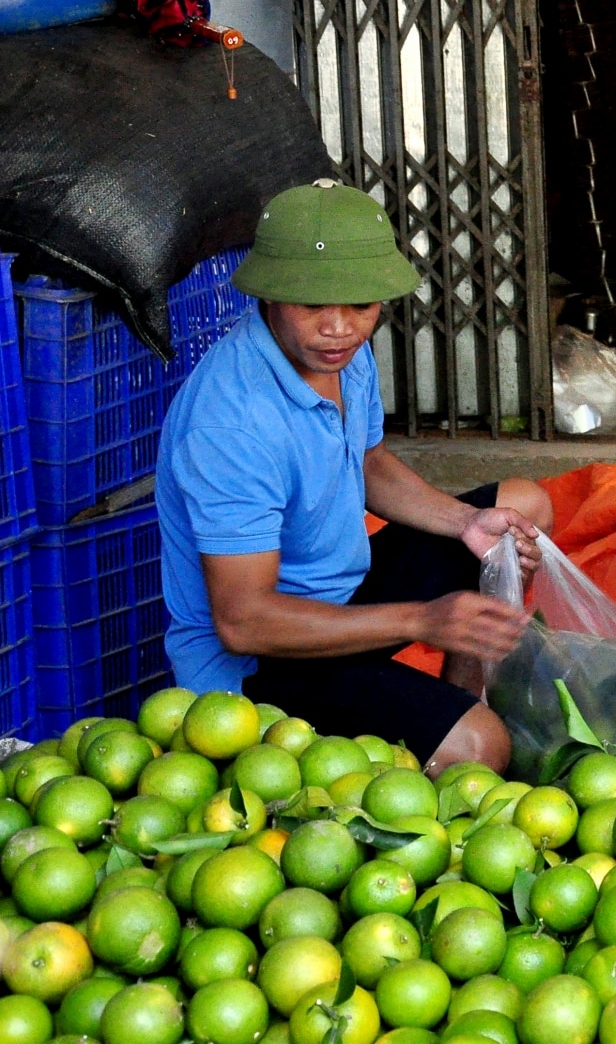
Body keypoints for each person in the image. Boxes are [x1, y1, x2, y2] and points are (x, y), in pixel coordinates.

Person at [156, 180, 553, 775]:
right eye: (314, 305)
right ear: (269, 295)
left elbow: (367, 463)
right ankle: (445, 745)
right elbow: (242, 622)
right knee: (480, 750)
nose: (339, 327)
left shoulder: (338, 353)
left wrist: (468, 522)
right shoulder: (230, 424)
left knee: (519, 511)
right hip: (261, 663)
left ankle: (451, 710)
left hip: (342, 592)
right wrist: (425, 620)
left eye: (360, 307)